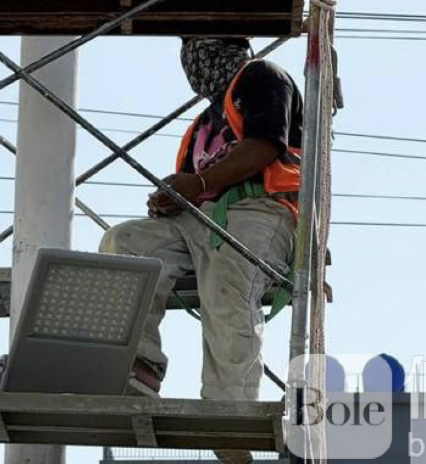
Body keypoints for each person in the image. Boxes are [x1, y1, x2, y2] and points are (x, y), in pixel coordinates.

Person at [99, 36, 301, 416]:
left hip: (260, 210)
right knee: (124, 242)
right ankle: (139, 366)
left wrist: (199, 182)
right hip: (200, 219)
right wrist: (171, 199)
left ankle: (230, 408)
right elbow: (192, 188)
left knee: (227, 284)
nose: (194, 58)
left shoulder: (262, 76)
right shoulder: (204, 124)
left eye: (200, 45)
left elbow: (264, 146)